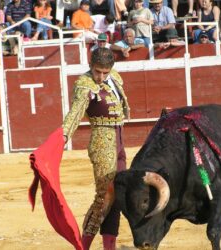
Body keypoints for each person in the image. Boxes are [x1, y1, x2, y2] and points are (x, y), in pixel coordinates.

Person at [62, 48, 130, 250]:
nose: (100, 77)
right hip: (102, 142)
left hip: (119, 140)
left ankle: (109, 246)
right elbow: (75, 113)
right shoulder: (85, 85)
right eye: (97, 71)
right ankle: (82, 246)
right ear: (91, 66)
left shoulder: (115, 78)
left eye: (104, 72)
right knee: (104, 196)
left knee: (116, 194)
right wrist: (64, 135)